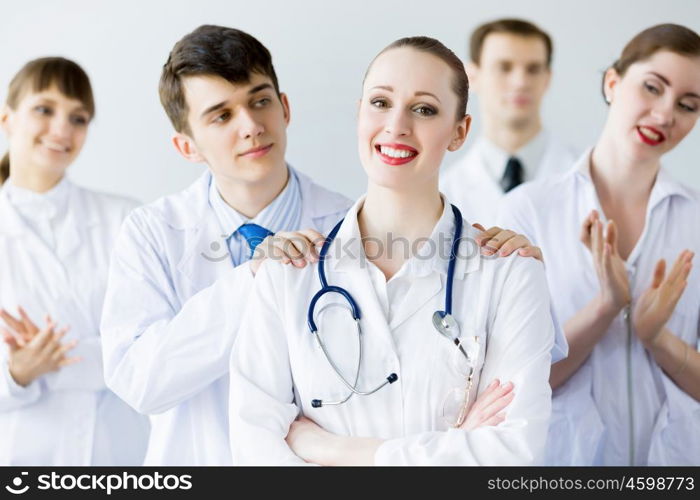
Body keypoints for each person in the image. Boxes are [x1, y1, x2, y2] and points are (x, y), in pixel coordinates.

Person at [229, 36, 556, 465]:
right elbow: (256, 454)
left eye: (424, 109)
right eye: (380, 103)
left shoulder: (510, 273)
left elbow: (513, 452)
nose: (397, 125)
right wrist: (453, 448)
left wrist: (334, 449)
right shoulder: (287, 273)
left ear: (459, 132)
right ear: (359, 113)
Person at [498, 23, 700, 465]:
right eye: (652, 87)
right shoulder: (528, 211)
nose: (665, 115)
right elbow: (510, 389)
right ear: (613, 82)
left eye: (688, 105)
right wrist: (605, 307)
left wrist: (658, 339)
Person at [0, 57, 149, 465]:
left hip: (119, 455)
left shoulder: (125, 219)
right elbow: (119, 354)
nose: (62, 129)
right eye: (44, 109)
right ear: (8, 119)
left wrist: (52, 366)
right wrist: (17, 374)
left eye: (79, 118)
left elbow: (149, 351)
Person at [441, 18, 577, 226]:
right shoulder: (444, 194)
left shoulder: (585, 181)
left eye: (533, 69)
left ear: (547, 79)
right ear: (472, 77)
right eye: (504, 67)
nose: (520, 82)